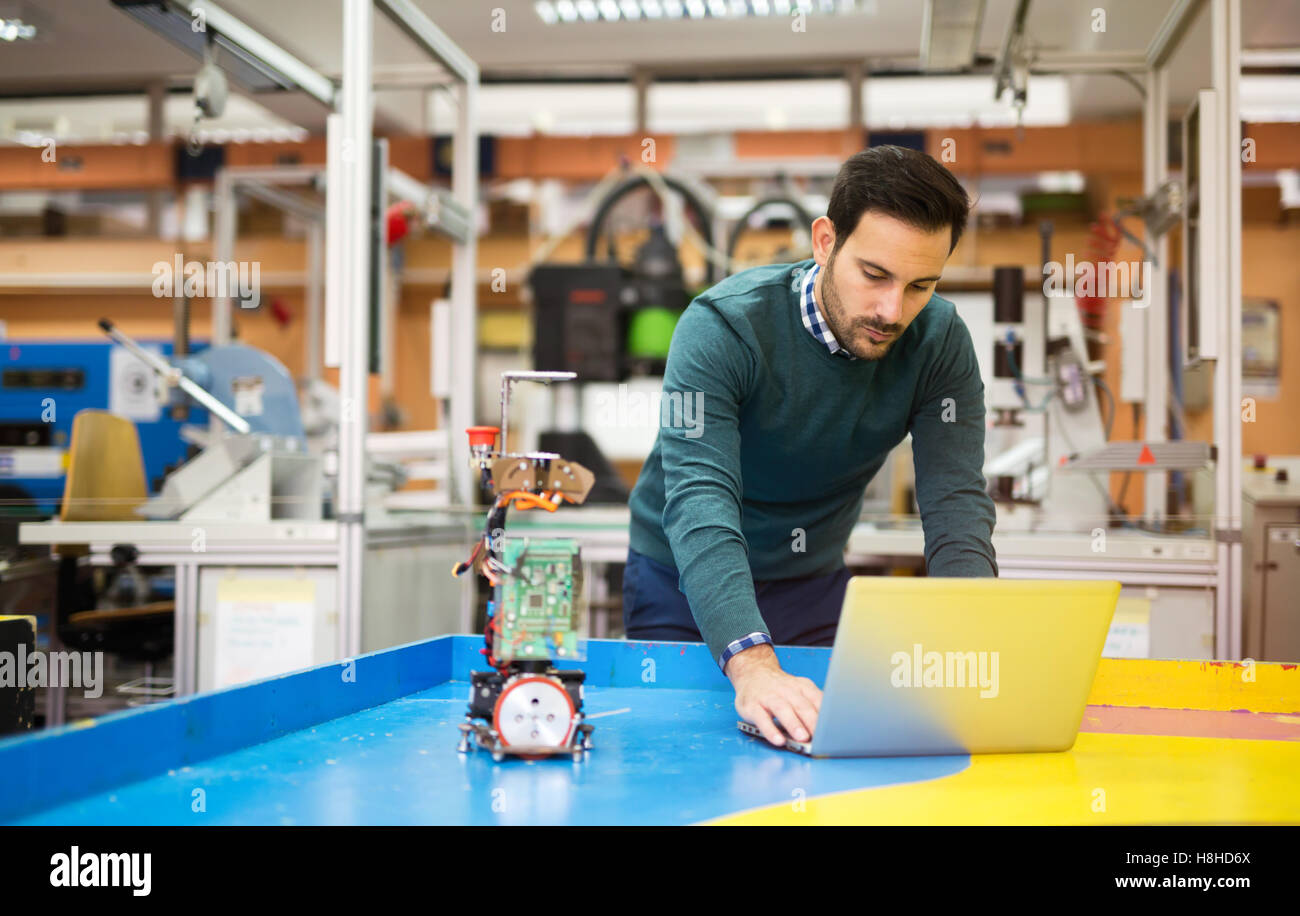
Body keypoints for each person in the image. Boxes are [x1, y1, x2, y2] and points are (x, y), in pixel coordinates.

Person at [624, 145, 998, 747]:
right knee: (682, 761)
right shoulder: (721, 327)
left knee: (818, 763)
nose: (891, 310)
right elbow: (700, 500)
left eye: (921, 285)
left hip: (810, 580)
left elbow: (955, 502)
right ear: (826, 241)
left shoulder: (940, 342)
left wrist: (980, 647)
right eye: (874, 274)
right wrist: (752, 665)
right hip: (682, 581)